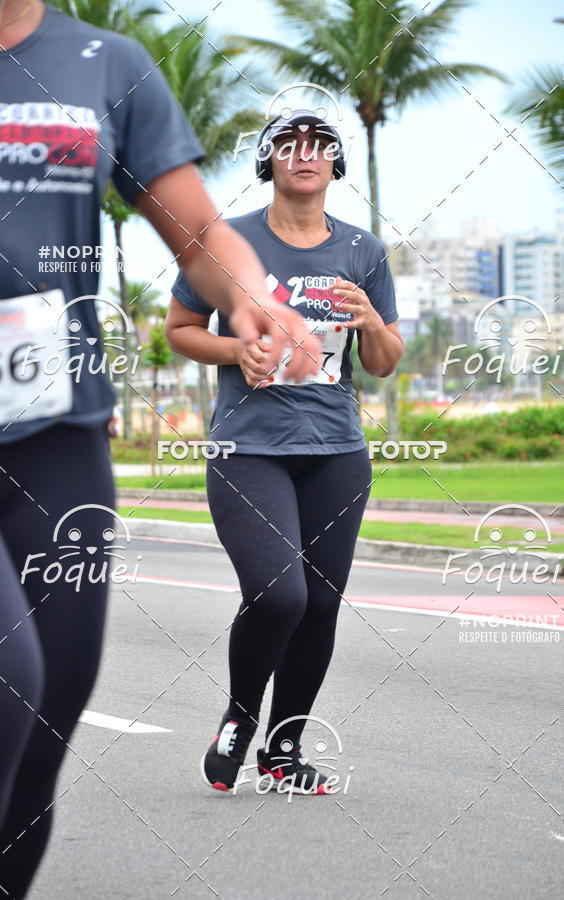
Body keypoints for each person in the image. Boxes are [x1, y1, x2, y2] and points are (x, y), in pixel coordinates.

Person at [0, 3, 320, 897]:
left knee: (41, 734)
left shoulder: (105, 61)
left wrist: (252, 296)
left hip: (56, 438)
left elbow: (196, 231)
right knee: (7, 685)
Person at [166, 109, 404, 793]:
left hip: (337, 453)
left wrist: (367, 321)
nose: (306, 155)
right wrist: (239, 349)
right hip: (250, 449)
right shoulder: (228, 243)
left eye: (320, 146)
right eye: (290, 145)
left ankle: (282, 750)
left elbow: (385, 362)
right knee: (279, 596)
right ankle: (241, 716)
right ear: (268, 161)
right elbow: (180, 329)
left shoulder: (363, 251)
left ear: (336, 165)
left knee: (321, 607)